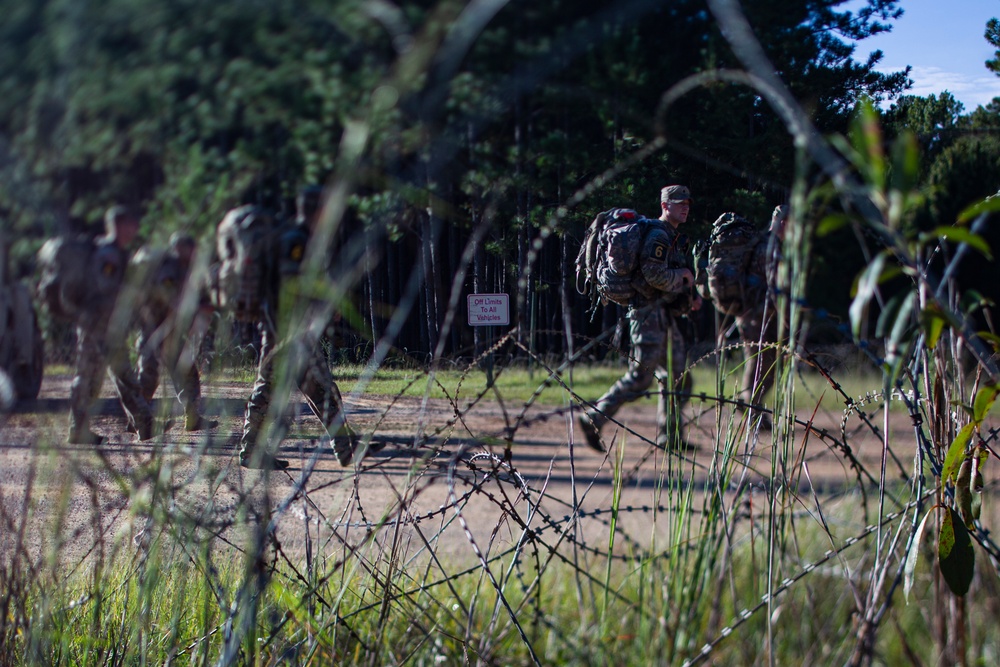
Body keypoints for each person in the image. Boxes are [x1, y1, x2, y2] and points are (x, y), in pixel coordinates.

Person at [223, 188, 361, 470]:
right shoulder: (296, 240)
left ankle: (345, 447)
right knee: (298, 384)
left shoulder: (298, 238)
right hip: (286, 326)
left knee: (307, 386)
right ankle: (252, 451)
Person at [578, 184, 702, 453]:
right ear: (665, 206)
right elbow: (654, 275)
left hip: (662, 314)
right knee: (640, 378)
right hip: (647, 315)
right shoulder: (658, 233)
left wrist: (687, 292)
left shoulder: (670, 234)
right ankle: (594, 416)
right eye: (679, 203)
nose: (685, 207)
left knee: (679, 376)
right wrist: (681, 277)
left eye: (687, 203)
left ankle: (669, 435)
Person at [68, 205, 156, 444]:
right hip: (96, 326)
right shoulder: (107, 255)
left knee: (123, 375)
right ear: (118, 225)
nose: (134, 229)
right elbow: (104, 289)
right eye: (130, 224)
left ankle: (145, 425)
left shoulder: (116, 253)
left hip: (109, 326)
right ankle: (79, 430)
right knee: (91, 378)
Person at [133, 232, 217, 432]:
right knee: (149, 376)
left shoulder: (184, 268)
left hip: (169, 330)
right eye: (189, 249)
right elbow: (169, 295)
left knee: (186, 372)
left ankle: (192, 417)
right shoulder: (170, 267)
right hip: (156, 329)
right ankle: (136, 419)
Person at [734, 204, 788, 426]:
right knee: (759, 363)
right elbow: (777, 286)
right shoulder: (771, 247)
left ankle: (749, 404)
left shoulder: (768, 245)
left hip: (761, 314)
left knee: (768, 363)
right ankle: (752, 411)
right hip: (757, 315)